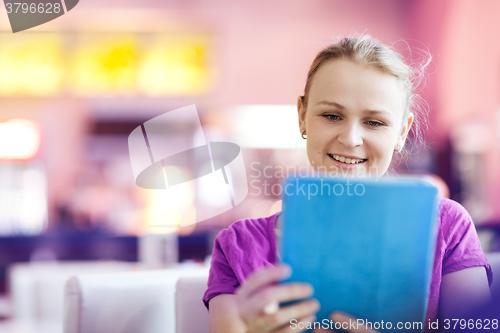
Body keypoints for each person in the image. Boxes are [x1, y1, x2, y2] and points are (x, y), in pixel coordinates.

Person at [203, 35, 493, 333]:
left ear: (402, 132)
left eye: (374, 122)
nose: (351, 139)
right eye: (331, 115)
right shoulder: (236, 245)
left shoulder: (448, 226)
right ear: (302, 116)